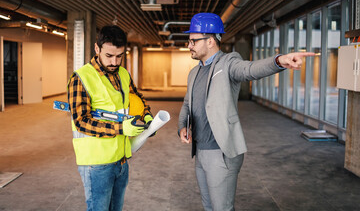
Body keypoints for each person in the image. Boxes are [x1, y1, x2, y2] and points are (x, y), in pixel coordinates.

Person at [178, 13, 314, 211]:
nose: (189, 45)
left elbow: (250, 69)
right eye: (189, 40)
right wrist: (182, 126)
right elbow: (186, 105)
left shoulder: (228, 64)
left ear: (210, 41)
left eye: (193, 40)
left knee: (222, 208)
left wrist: (279, 61)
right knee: (208, 206)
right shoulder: (194, 72)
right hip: (200, 151)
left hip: (221, 152)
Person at [68, 25, 153, 211]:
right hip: (96, 164)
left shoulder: (123, 73)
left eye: (119, 56)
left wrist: (146, 115)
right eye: (109, 56)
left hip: (121, 159)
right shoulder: (81, 78)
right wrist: (122, 128)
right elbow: (81, 121)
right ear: (97, 49)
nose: (115, 62)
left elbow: (138, 97)